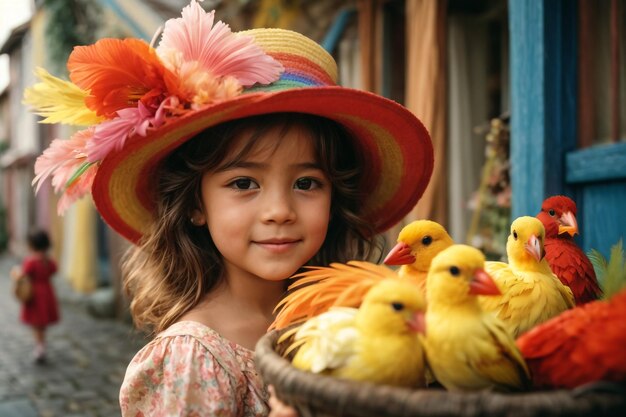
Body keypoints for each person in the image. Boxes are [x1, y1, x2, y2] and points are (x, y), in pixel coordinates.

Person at [25, 1, 434, 415]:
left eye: (306, 183)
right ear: (194, 204)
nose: (279, 210)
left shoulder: (340, 319)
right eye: (243, 183)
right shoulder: (192, 359)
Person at [10, 229, 59, 364]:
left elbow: (23, 274)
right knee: (42, 322)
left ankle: (40, 347)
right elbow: (54, 270)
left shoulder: (31, 261)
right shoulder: (48, 260)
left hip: (35, 295)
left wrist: (15, 273)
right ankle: (41, 344)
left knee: (37, 323)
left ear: (31, 245)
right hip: (47, 292)